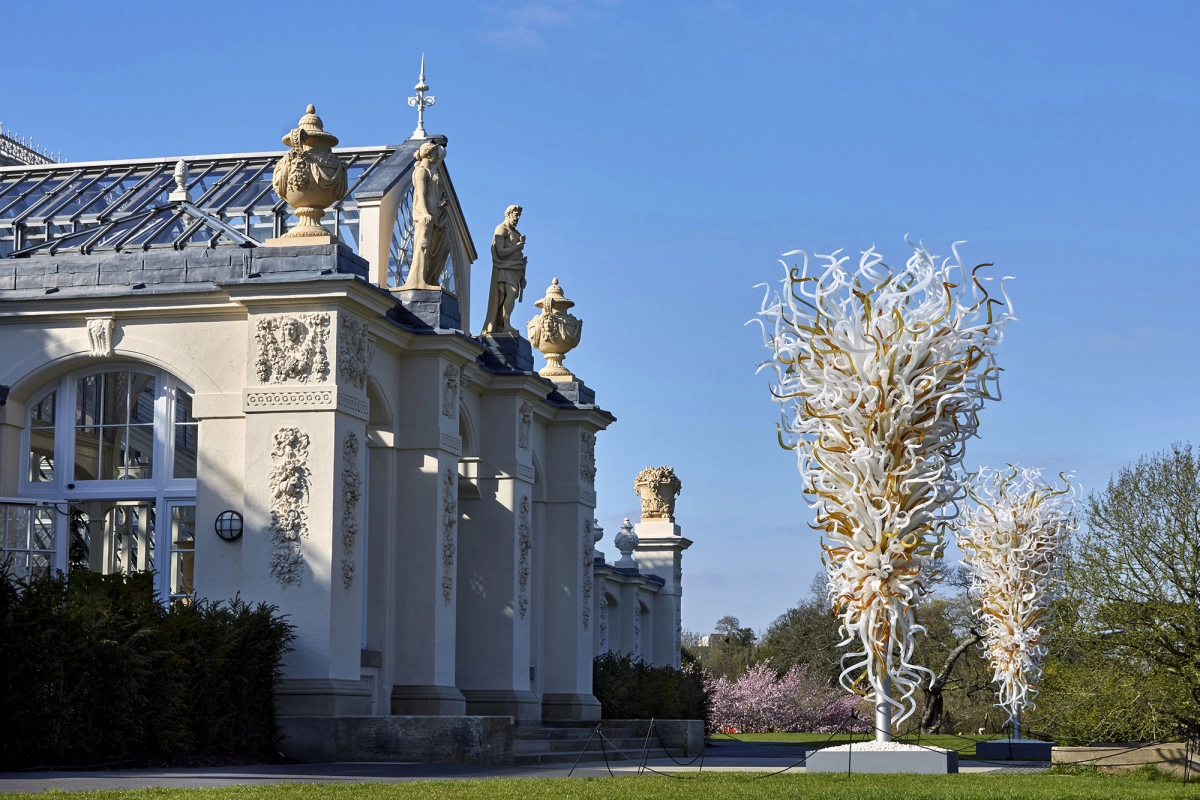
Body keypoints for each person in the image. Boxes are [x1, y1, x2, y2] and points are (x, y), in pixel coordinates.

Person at [402, 142, 450, 289]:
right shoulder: (421, 172)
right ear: (428, 154)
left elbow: (433, 194)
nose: (437, 156)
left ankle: (431, 278)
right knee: (423, 246)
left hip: (437, 214)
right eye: (435, 153)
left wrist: (442, 203)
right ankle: (418, 280)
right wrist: (424, 213)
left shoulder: (434, 172)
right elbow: (420, 195)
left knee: (444, 248)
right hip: (425, 215)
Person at [481, 205, 528, 335]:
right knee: (511, 293)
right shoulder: (501, 229)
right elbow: (500, 252)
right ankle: (506, 324)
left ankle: (504, 323)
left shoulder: (517, 233)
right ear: (508, 214)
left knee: (512, 296)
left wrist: (522, 276)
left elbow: (518, 256)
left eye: (519, 216)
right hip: (504, 267)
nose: (517, 218)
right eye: (515, 215)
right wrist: (517, 247)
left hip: (516, 270)